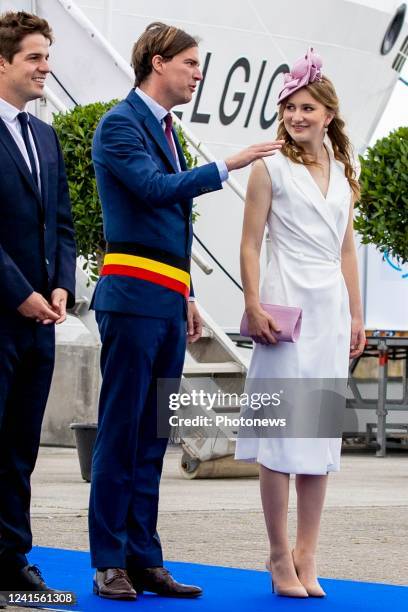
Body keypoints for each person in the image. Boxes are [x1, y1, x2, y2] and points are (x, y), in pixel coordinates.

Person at [89, 21, 283, 601]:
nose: (199, 74)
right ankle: (108, 561)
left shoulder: (166, 128)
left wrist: (188, 294)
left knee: (153, 435)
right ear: (157, 62)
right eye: (191, 63)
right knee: (122, 429)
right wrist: (229, 164)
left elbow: (167, 219)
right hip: (131, 299)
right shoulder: (119, 124)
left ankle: (144, 557)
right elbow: (153, 190)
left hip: (166, 298)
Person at [235, 48, 365, 598]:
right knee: (280, 440)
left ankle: (307, 555)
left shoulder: (343, 174)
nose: (296, 117)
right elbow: (249, 243)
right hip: (285, 315)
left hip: (331, 316)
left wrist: (358, 314)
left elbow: (347, 250)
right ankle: (276, 555)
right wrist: (255, 304)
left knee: (316, 440)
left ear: (328, 114)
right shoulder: (269, 168)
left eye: (306, 107)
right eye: (289, 107)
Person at [0, 11, 76, 592]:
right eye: (34, 57)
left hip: (39, 322)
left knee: (20, 449)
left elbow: (63, 226)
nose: (45, 67)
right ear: (2, 61)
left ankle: (12, 564)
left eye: (47, 56)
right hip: (2, 315)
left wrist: (60, 285)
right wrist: (18, 292)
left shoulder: (45, 136)